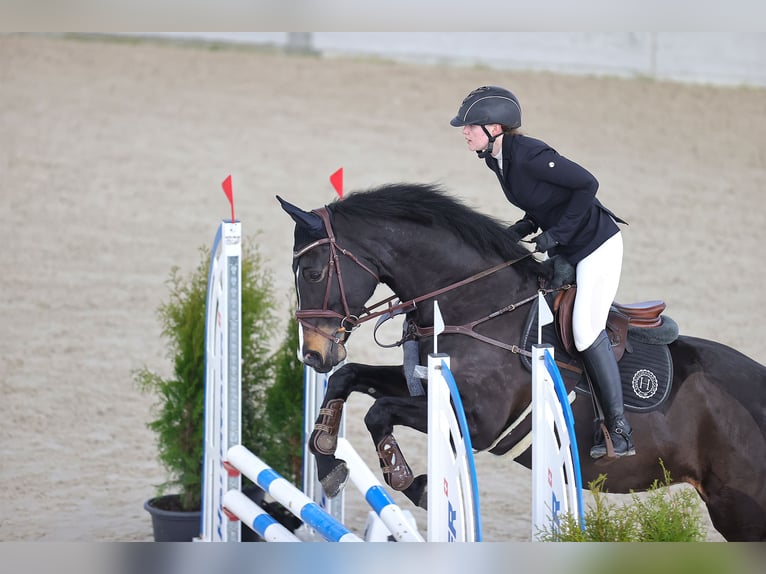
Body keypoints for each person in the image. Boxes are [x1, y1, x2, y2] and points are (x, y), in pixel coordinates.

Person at [450, 85, 635, 459]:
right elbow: (544, 198)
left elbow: (587, 185)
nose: (464, 132)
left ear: (496, 128)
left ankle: (619, 429)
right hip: (569, 246)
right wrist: (522, 228)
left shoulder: (530, 153)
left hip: (596, 247)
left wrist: (559, 234)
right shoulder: (495, 158)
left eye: (472, 126)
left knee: (585, 330)